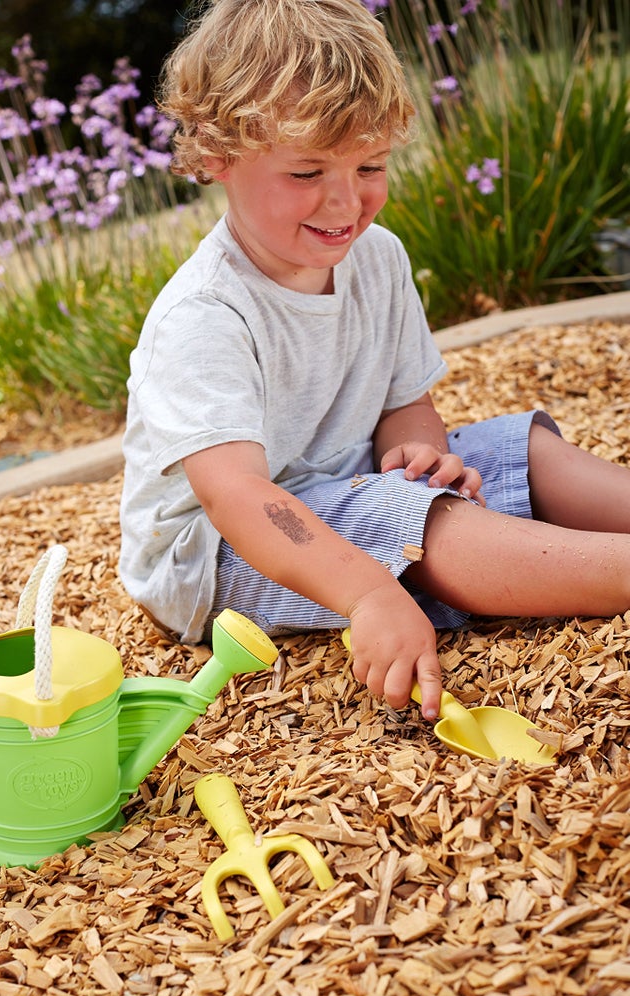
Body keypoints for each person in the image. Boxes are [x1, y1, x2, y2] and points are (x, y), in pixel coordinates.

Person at [119, 0, 630, 724]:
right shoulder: (203, 316)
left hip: (347, 479)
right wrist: (366, 593)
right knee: (409, 517)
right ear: (216, 159)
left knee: (516, 448)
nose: (344, 198)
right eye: (305, 172)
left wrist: (419, 452)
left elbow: (403, 402)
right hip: (220, 554)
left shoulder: (377, 258)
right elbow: (236, 495)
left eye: (370, 164)